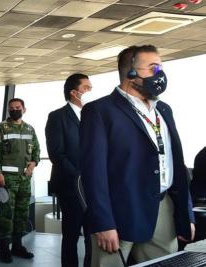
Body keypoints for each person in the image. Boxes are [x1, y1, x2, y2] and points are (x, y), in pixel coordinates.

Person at [80, 45, 195, 266]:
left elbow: (175, 165)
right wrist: (103, 222)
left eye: (160, 68)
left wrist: (186, 213)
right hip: (119, 212)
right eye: (153, 68)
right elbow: (94, 172)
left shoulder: (164, 110)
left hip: (163, 209)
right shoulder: (100, 111)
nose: (159, 75)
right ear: (130, 73)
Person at [45, 73, 92, 267]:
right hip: (70, 186)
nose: (91, 91)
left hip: (93, 187)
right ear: (74, 92)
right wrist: (78, 177)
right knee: (71, 234)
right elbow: (57, 154)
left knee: (92, 235)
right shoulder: (57, 117)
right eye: (87, 88)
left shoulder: (94, 114)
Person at [0, 98, 39, 263]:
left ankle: (17, 247)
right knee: (7, 215)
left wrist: (34, 162)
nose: (14, 110)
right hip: (7, 180)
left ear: (24, 109)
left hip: (25, 179)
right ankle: (4, 249)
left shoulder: (29, 129)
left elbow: (37, 149)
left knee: (22, 214)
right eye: (11, 108)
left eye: (18, 107)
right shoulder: (1, 128)